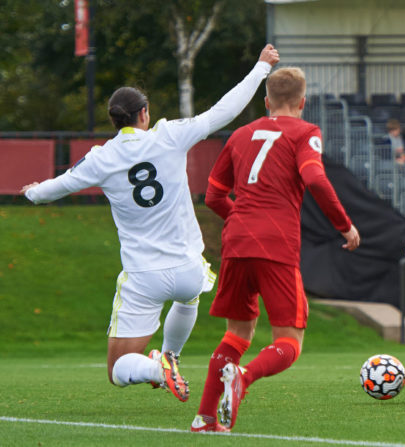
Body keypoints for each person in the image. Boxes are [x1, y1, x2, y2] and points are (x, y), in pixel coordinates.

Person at [21, 45, 280, 403]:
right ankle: (171, 355)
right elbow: (224, 111)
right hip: (189, 267)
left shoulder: (102, 158)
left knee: (118, 370)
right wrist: (261, 68)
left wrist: (33, 193)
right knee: (188, 298)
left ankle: (158, 368)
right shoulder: (169, 135)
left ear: (114, 119)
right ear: (144, 113)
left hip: (144, 276)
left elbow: (56, 188)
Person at [191, 66, 360, 432]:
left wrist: (242, 221)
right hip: (276, 244)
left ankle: (205, 418)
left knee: (237, 334)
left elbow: (213, 196)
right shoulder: (305, 132)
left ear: (266, 101)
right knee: (289, 341)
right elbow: (315, 177)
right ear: (302, 103)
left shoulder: (239, 135)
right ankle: (244, 379)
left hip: (236, 243)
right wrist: (344, 226)